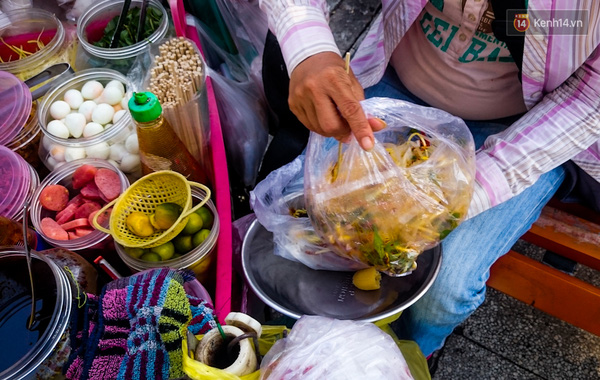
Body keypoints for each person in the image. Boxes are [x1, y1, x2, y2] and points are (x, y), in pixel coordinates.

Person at [257, 0, 600, 358]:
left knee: (444, 289)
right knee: (307, 220)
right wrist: (308, 47)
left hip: (527, 125)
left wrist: (465, 194)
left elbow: (591, 98)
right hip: (391, 86)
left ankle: (409, 355)